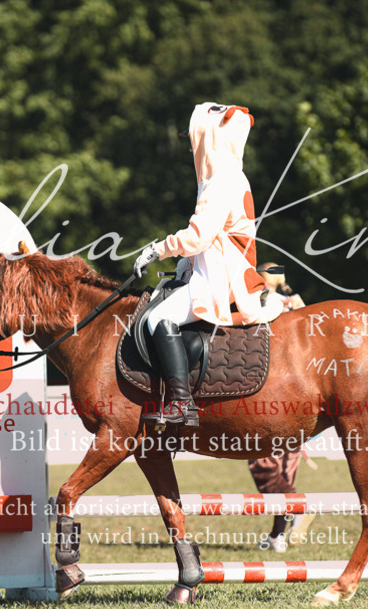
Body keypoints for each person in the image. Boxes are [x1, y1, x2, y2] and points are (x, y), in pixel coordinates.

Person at [134, 102, 264, 428]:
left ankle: (181, 403)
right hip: (216, 273)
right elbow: (213, 240)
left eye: (195, 138)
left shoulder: (220, 182)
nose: (193, 146)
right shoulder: (234, 177)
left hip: (221, 283)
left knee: (157, 318)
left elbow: (199, 236)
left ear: (210, 139)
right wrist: (184, 268)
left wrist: (156, 249)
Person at [248, 265, 316, 552]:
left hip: (271, 393)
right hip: (301, 396)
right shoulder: (297, 303)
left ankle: (299, 508)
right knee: (286, 473)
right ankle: (278, 536)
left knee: (262, 464)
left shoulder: (261, 301)